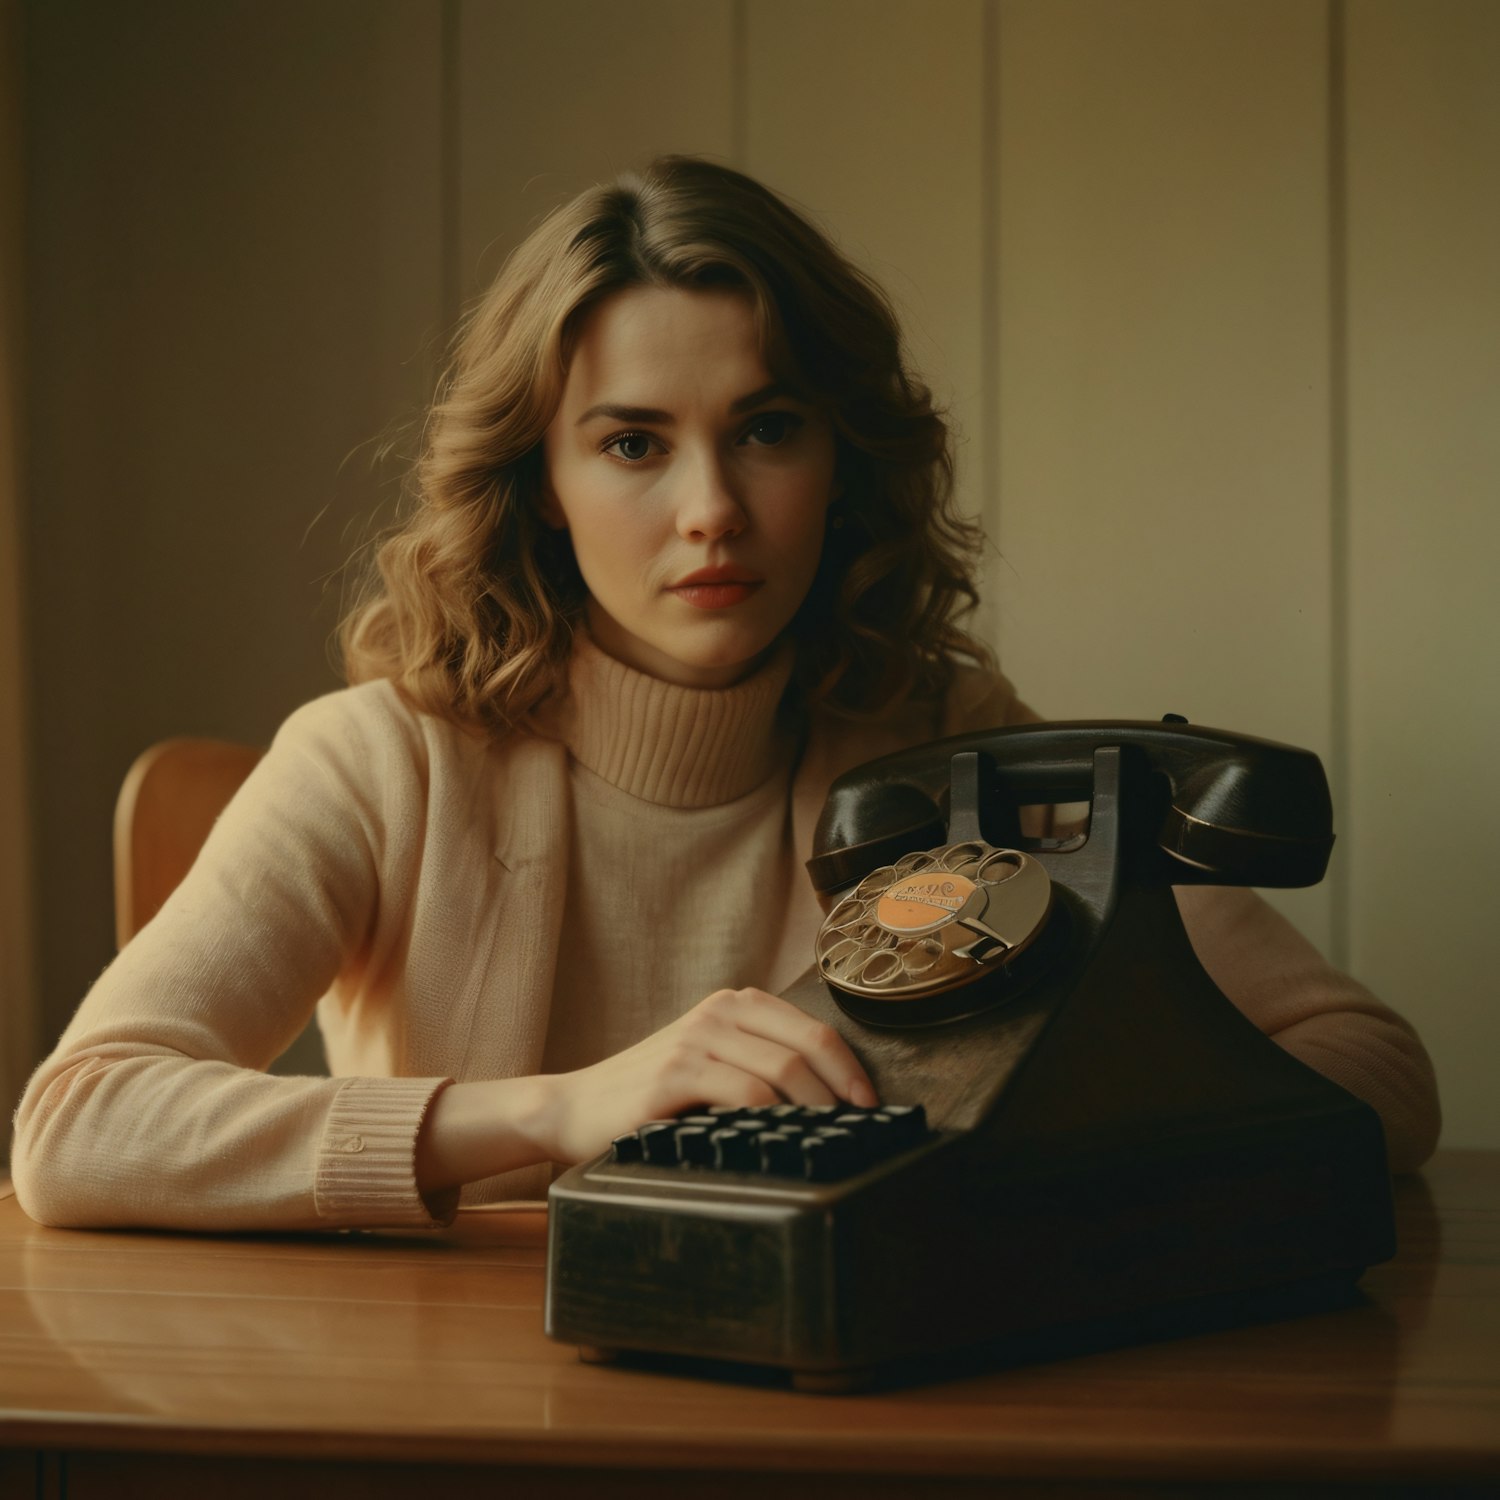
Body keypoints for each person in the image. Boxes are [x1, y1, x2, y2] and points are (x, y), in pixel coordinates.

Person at [11, 157, 1439, 1231]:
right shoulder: (381, 763)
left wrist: (1063, 1160)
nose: (711, 511)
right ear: (545, 490)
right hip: (465, 1421)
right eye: (633, 445)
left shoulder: (958, 740)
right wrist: (558, 1110)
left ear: (841, 458)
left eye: (765, 429)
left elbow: (1369, 1065)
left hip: (869, 1403)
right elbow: (72, 1128)